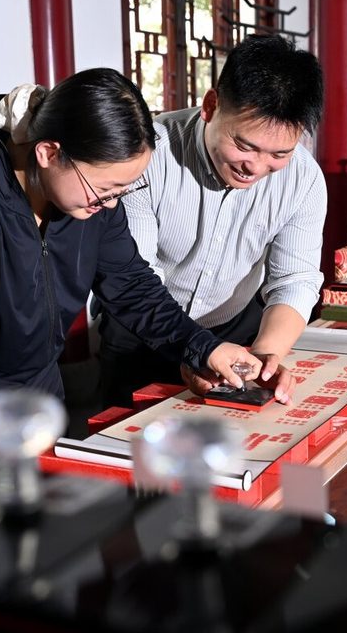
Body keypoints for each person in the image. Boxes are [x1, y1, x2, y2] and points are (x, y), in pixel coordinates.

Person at [0, 69, 260, 443]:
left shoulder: (88, 200)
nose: (111, 204)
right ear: (48, 153)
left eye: (123, 190)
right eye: (106, 189)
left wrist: (204, 347)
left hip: (35, 399)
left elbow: (131, 286)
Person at [99, 34, 326, 408]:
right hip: (141, 327)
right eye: (245, 146)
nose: (255, 167)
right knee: (126, 434)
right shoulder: (147, 154)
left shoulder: (303, 178)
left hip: (234, 329)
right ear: (210, 106)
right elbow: (136, 275)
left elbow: (295, 279)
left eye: (279, 154)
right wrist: (193, 349)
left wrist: (264, 359)